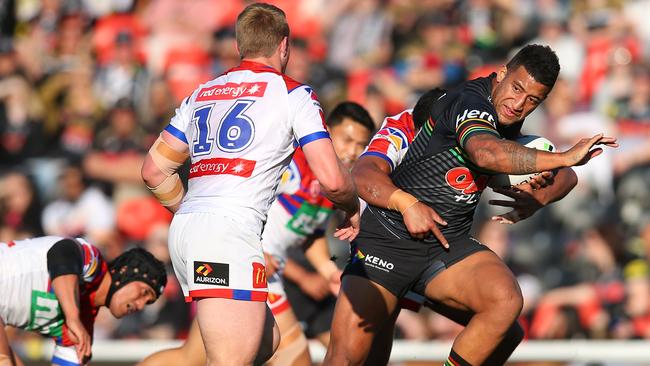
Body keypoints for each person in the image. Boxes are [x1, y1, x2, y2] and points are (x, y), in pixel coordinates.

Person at [324, 44, 618, 366]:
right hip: (389, 241)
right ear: (501, 73)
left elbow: (565, 177)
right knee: (350, 359)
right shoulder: (463, 105)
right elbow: (365, 176)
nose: (519, 104)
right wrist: (406, 204)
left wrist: (541, 196)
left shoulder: (505, 126)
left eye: (532, 100)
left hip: (444, 244)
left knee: (505, 310)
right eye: (517, 89)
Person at [140, 3, 360, 365]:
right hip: (228, 233)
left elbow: (153, 171)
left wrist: (193, 216)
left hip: (188, 228)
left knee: (267, 339)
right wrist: (352, 209)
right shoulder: (293, 94)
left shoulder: (202, 92)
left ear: (240, 45)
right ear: (284, 45)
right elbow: (334, 180)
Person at [140, 101, 375, 366]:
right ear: (325, 131)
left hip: (255, 268)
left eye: (361, 144)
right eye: (347, 140)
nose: (353, 151)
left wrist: (327, 271)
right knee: (293, 358)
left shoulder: (330, 184)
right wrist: (259, 251)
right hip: (249, 265)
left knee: (193, 357)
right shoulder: (293, 166)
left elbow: (310, 233)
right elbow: (246, 200)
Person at [0, 236, 167, 366]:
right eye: (144, 292)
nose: (140, 305)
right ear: (125, 271)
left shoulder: (82, 327)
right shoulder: (94, 265)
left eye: (147, 302)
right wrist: (72, 317)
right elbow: (62, 251)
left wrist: (74, 319)